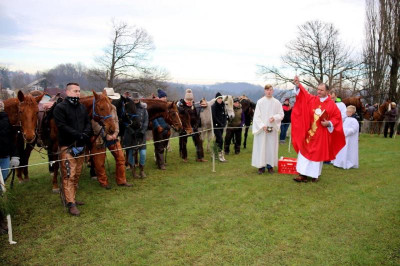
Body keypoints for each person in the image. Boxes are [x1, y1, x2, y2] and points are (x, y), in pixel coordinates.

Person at [291, 76, 345, 182]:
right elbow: (304, 95)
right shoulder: (313, 99)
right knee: (304, 152)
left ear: (327, 91)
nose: (318, 92)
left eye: (321, 90)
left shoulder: (331, 105)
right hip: (310, 131)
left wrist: (329, 123)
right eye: (318, 89)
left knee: (317, 154)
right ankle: (302, 175)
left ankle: (315, 175)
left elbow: (337, 118)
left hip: (321, 133)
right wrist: (298, 85)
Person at [53, 82, 92, 216]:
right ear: (68, 92)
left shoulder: (81, 107)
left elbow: (87, 122)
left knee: (77, 174)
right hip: (67, 147)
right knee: (69, 175)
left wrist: (86, 134)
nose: (78, 93)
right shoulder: (60, 108)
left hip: (81, 147)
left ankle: (72, 198)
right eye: (75, 91)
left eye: (79, 91)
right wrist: (78, 135)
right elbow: (62, 126)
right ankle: (70, 204)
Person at [91, 88, 132, 189]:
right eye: (110, 98)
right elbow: (94, 123)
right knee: (99, 162)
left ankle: (121, 180)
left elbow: (116, 121)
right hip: (99, 138)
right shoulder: (96, 107)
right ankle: (103, 182)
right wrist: (106, 135)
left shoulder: (113, 107)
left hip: (113, 137)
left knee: (121, 158)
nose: (112, 100)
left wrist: (115, 133)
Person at [251, 85, 284, 174]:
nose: (269, 92)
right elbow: (256, 116)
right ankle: (261, 167)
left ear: (272, 91)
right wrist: (262, 126)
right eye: (267, 90)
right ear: (265, 91)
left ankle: (270, 166)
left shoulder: (277, 102)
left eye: (270, 90)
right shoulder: (260, 102)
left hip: (272, 129)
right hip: (262, 129)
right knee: (261, 147)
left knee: (270, 147)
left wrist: (274, 118)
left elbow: (281, 114)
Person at [123, 92, 148, 178]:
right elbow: (124, 121)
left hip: (141, 134)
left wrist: (143, 131)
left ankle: (142, 170)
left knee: (143, 153)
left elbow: (146, 121)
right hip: (131, 134)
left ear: (139, 99)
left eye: (137, 99)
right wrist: (131, 130)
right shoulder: (126, 108)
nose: (135, 101)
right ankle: (133, 171)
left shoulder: (144, 109)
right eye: (134, 100)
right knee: (131, 153)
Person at [178, 89, 207, 163]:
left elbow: (197, 118)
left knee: (199, 142)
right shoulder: (181, 106)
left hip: (194, 127)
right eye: (188, 100)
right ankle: (184, 158)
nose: (190, 101)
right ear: (185, 99)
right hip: (185, 127)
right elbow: (181, 118)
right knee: (183, 143)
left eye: (191, 100)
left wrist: (196, 126)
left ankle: (200, 157)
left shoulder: (194, 106)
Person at [0, 99, 20, 184]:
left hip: (5, 156)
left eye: (1, 104)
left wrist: (15, 156)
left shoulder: (7, 120)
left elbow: (11, 139)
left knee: (3, 180)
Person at [152, 88, 171, 170]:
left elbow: (168, 118)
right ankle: (161, 164)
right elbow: (153, 118)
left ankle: (159, 161)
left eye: (165, 96)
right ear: (160, 98)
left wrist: (169, 128)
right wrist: (157, 126)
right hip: (158, 129)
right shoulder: (156, 106)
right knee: (159, 146)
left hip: (166, 128)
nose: (165, 98)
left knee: (163, 146)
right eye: (163, 97)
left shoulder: (166, 106)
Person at [212, 92, 228, 162]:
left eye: (221, 98)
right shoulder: (214, 106)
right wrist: (220, 123)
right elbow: (214, 116)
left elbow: (224, 115)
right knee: (221, 140)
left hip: (222, 126)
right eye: (219, 98)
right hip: (216, 126)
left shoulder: (223, 105)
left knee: (218, 140)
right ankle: (220, 155)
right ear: (216, 99)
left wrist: (224, 123)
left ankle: (214, 154)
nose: (220, 99)